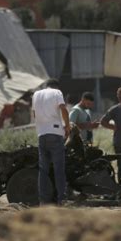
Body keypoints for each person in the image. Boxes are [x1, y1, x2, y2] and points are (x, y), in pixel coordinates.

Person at [32, 78, 71, 206]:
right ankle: (61, 199)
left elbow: (34, 114)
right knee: (59, 168)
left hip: (41, 135)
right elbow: (63, 109)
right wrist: (67, 126)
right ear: (56, 87)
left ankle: (43, 201)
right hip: (55, 134)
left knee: (43, 170)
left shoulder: (36, 94)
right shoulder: (57, 93)